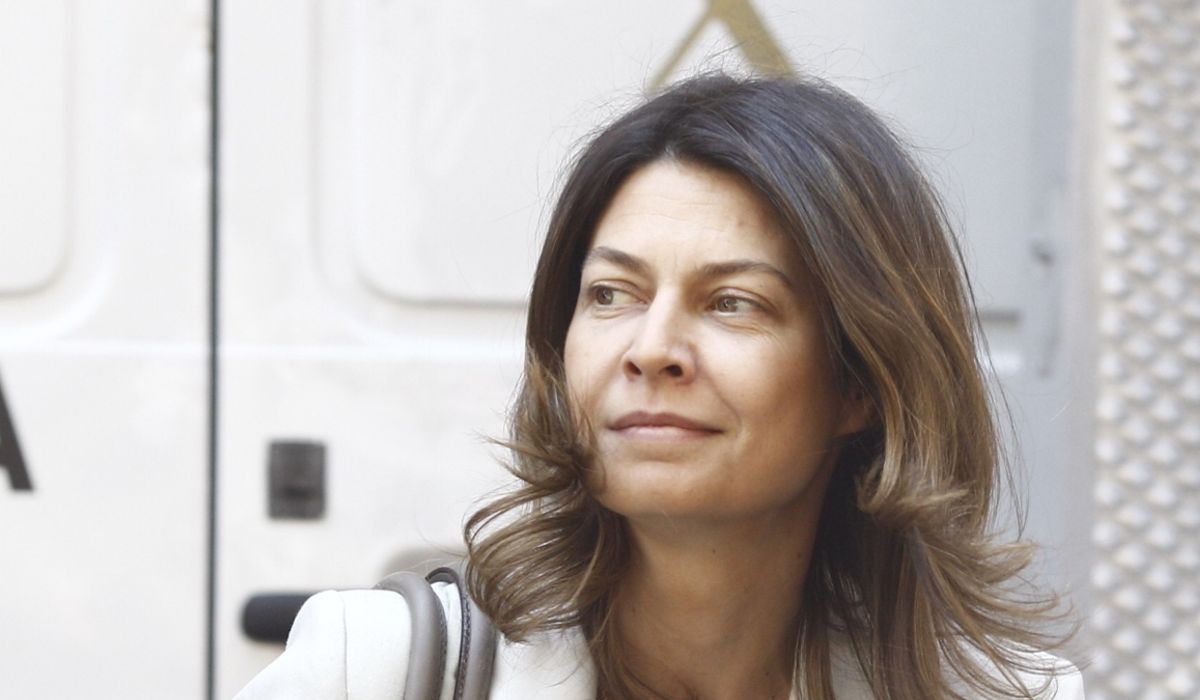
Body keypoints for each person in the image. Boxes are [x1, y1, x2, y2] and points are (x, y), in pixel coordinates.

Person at [237, 73, 1084, 699]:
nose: (651, 349)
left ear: (860, 382)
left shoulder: (1010, 694)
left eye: (733, 303)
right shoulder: (375, 668)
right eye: (612, 294)